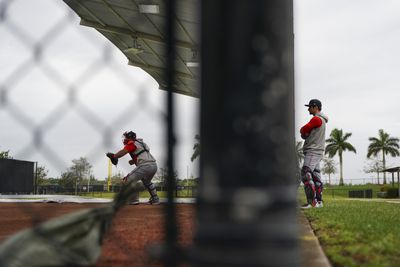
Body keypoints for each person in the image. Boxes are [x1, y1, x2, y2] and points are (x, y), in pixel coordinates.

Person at [107, 131, 160, 205]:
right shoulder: (141, 143)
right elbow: (143, 154)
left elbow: (123, 151)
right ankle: (155, 199)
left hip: (145, 166)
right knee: (147, 182)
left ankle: (134, 200)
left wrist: (114, 156)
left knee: (128, 180)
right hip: (154, 166)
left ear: (130, 137)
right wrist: (133, 161)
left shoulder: (132, 143)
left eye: (126, 137)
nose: (124, 139)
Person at [300, 99, 328, 209]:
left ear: (315, 107)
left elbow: (303, 129)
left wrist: (304, 133)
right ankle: (319, 202)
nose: (308, 109)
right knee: (316, 177)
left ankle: (312, 203)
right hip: (317, 151)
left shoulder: (316, 119)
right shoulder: (322, 119)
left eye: (310, 107)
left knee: (305, 173)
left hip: (313, 151)